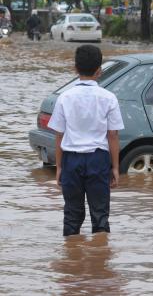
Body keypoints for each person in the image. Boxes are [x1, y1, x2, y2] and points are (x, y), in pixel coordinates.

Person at [48, 45, 124, 236]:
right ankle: (99, 261)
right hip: (98, 160)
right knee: (100, 215)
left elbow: (59, 135)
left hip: (71, 161)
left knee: (72, 215)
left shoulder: (64, 98)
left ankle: (72, 260)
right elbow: (113, 135)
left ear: (75, 69)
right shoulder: (109, 98)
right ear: (99, 71)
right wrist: (115, 167)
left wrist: (59, 167)